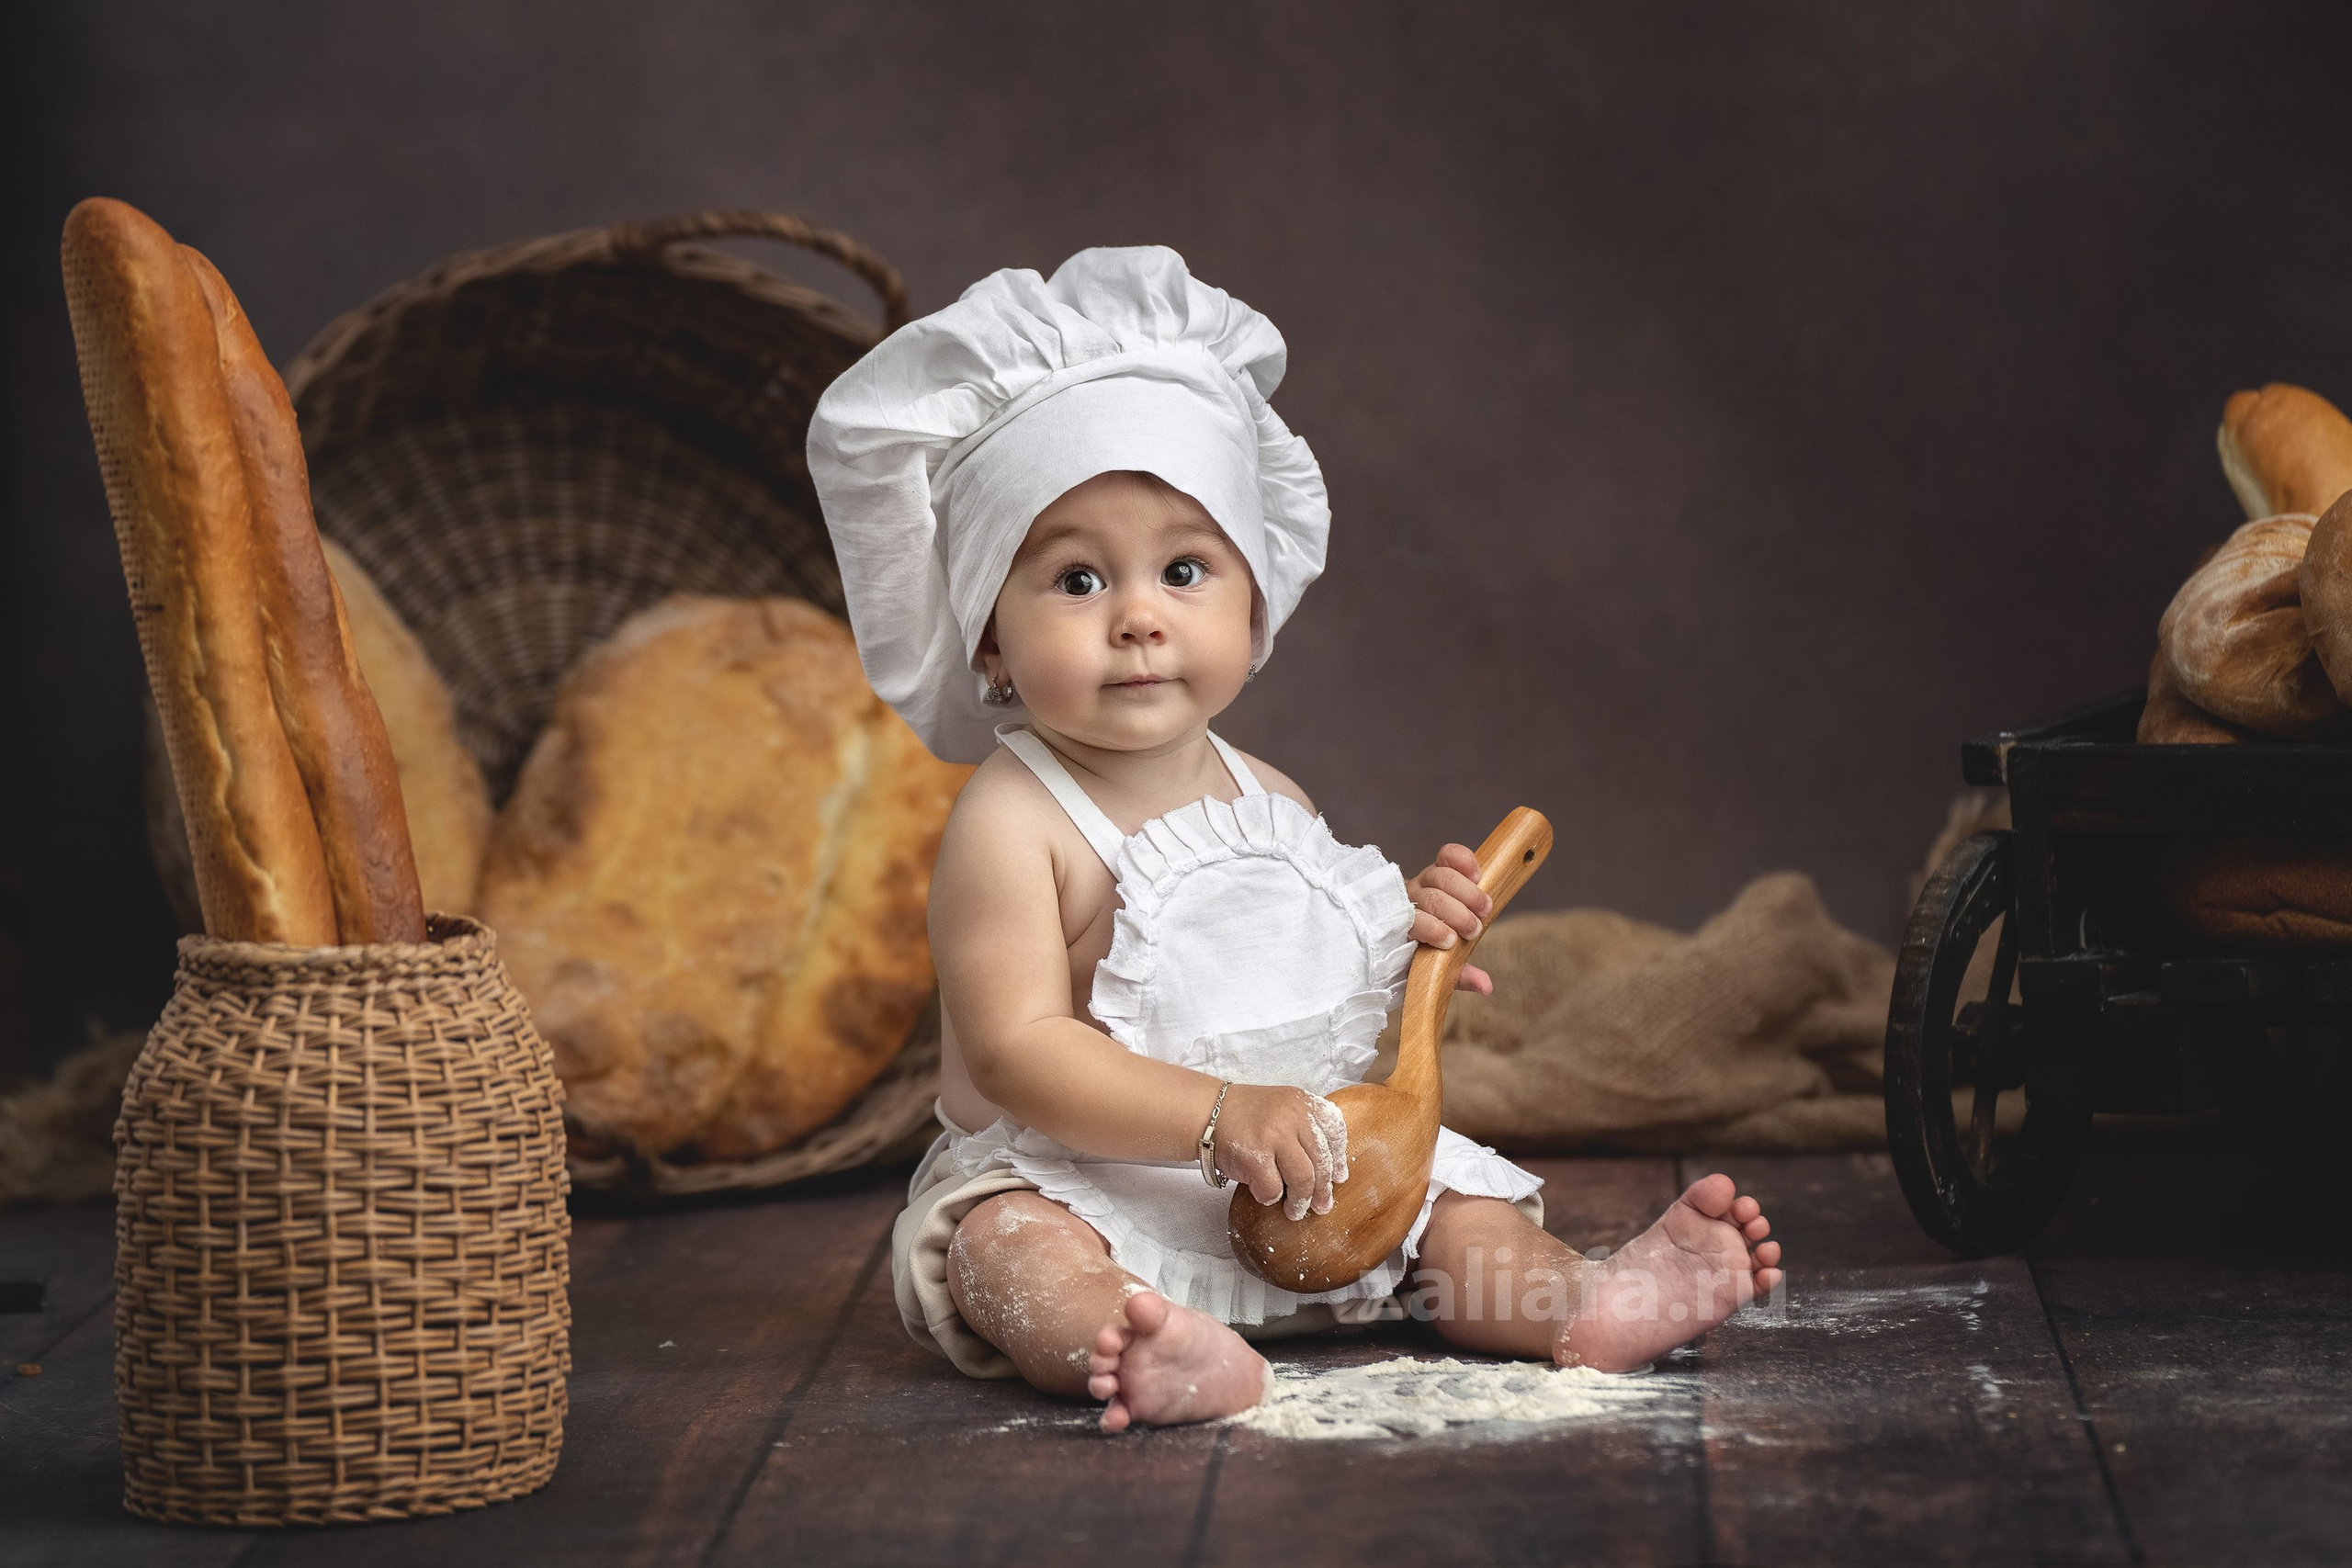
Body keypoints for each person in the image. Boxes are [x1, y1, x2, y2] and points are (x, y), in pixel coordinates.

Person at [808, 247, 1781, 1433]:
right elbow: (1016, 1055)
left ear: (1252, 599)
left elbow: (1318, 1025)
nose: (1138, 617)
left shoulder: (1272, 795)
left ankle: (1581, 1303)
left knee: (1447, 1218)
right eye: (1074, 579)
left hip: (1312, 1186)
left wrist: (1407, 966)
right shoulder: (1012, 822)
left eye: (1182, 568)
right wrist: (1220, 1117)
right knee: (1008, 1255)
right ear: (990, 642)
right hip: (1093, 1182)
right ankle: (1138, 1343)